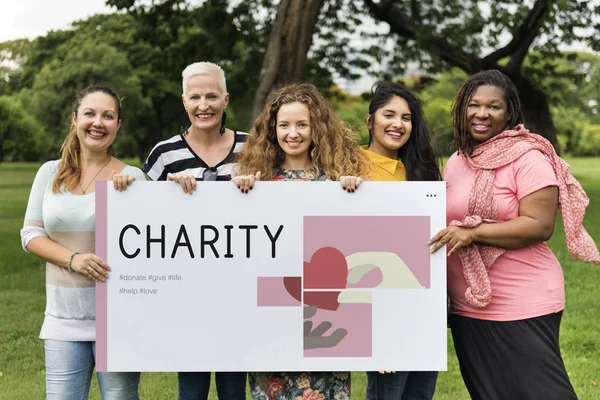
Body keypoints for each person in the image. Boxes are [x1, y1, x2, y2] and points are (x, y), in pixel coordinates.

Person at [429, 70, 600, 400]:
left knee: (542, 393)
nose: (481, 113)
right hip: (469, 304)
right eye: (473, 105)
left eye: (493, 106)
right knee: (490, 393)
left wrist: (475, 233)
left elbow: (539, 225)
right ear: (461, 110)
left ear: (510, 113)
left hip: (522, 299)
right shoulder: (457, 160)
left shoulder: (529, 158)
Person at [233, 82, 370, 399]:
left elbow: (357, 245)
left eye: (301, 125)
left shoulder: (336, 183)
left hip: (324, 321)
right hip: (272, 320)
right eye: (284, 125)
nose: (292, 133)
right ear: (273, 129)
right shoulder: (258, 183)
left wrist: (355, 193)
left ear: (316, 128)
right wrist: (238, 197)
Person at [20, 85, 144, 399]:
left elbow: (152, 246)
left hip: (118, 321)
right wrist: (73, 258)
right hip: (62, 319)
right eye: (90, 114)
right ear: (75, 120)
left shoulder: (133, 179)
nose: (98, 122)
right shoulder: (50, 173)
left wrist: (133, 197)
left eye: (108, 116)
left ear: (118, 125)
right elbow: (31, 235)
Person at [142, 61, 248, 400]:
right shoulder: (164, 155)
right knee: (191, 389)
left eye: (212, 96)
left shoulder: (254, 148)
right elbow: (143, 220)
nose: (204, 105)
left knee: (234, 388)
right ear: (184, 101)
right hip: (186, 295)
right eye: (195, 97)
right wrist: (165, 192)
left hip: (241, 292)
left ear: (226, 100)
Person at [362, 82, 441, 399]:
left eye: (406, 118)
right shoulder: (349, 167)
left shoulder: (420, 172)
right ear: (370, 121)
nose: (398, 124)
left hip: (422, 305)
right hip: (379, 306)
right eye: (389, 115)